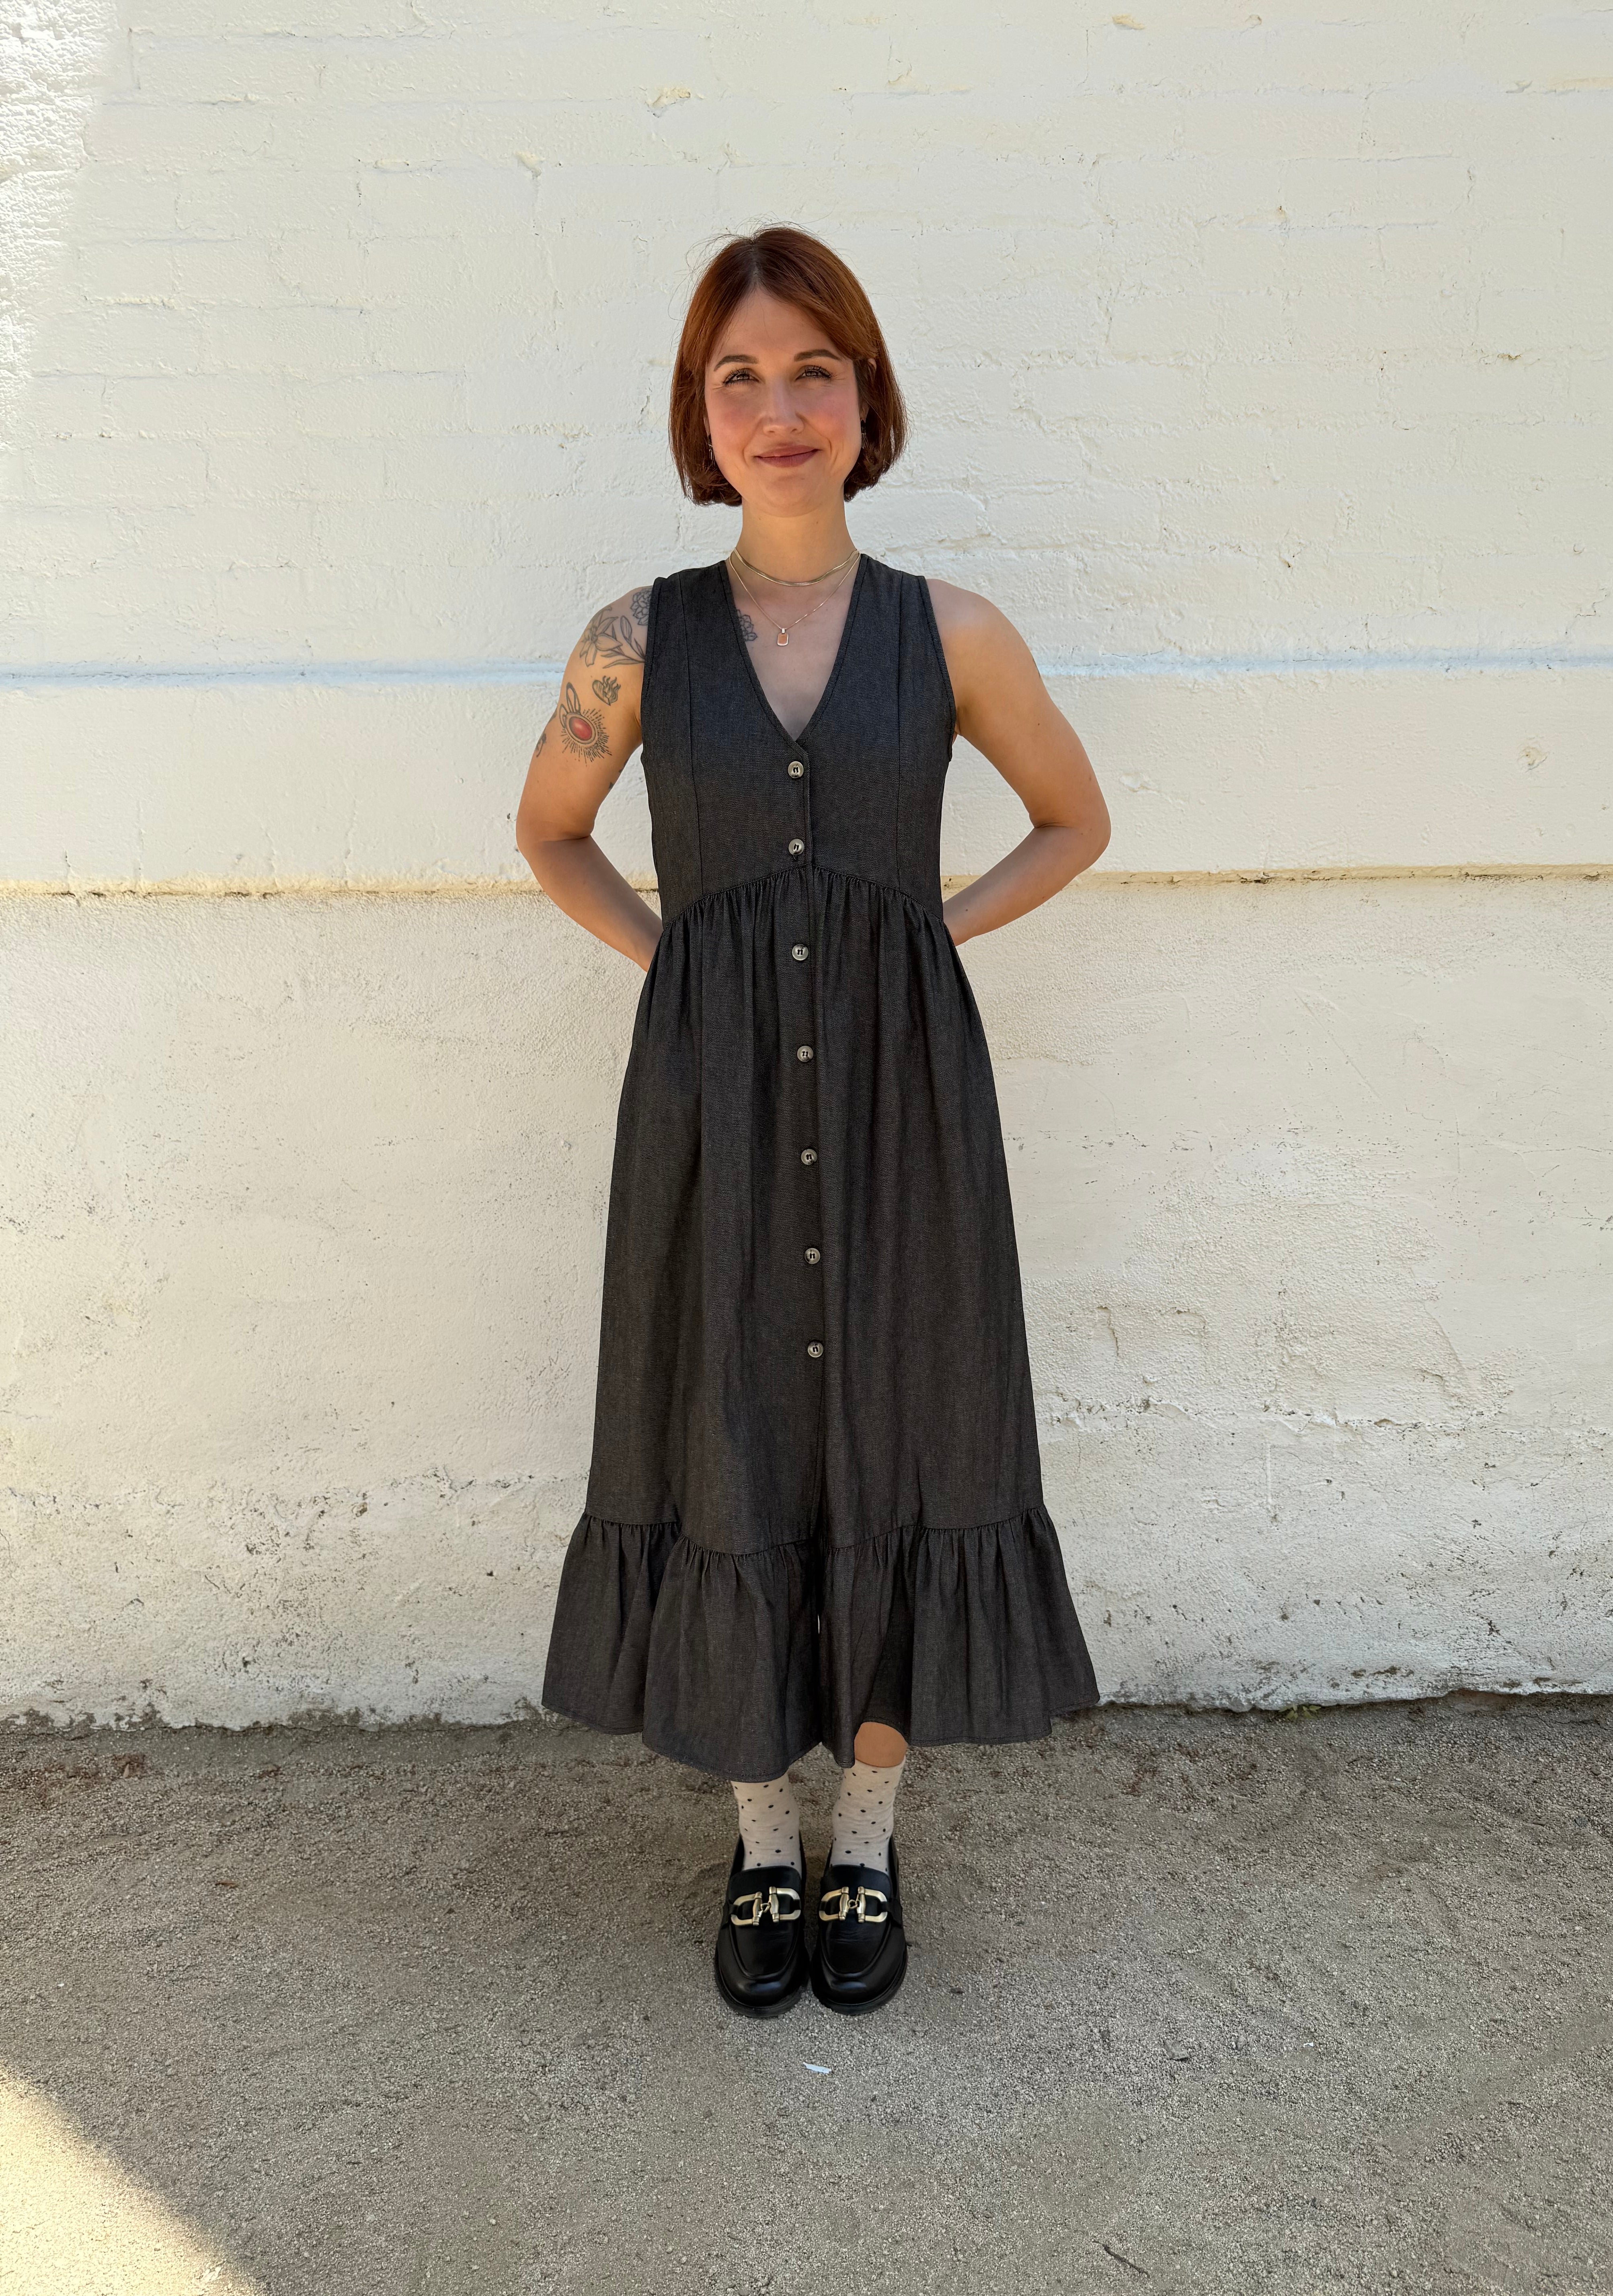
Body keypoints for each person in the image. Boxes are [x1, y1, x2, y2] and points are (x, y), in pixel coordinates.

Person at [517, 226, 1107, 2019]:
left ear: (866, 401)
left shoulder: (952, 632)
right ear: (700, 417)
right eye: (740, 378)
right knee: (728, 1427)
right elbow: (549, 832)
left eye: (813, 372)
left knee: (908, 1426)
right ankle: (761, 1840)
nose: (780, 410)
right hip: (709, 1104)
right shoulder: (635, 642)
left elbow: (1074, 819)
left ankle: (867, 1835)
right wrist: (674, 962)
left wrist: (927, 934)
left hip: (902, 1099)